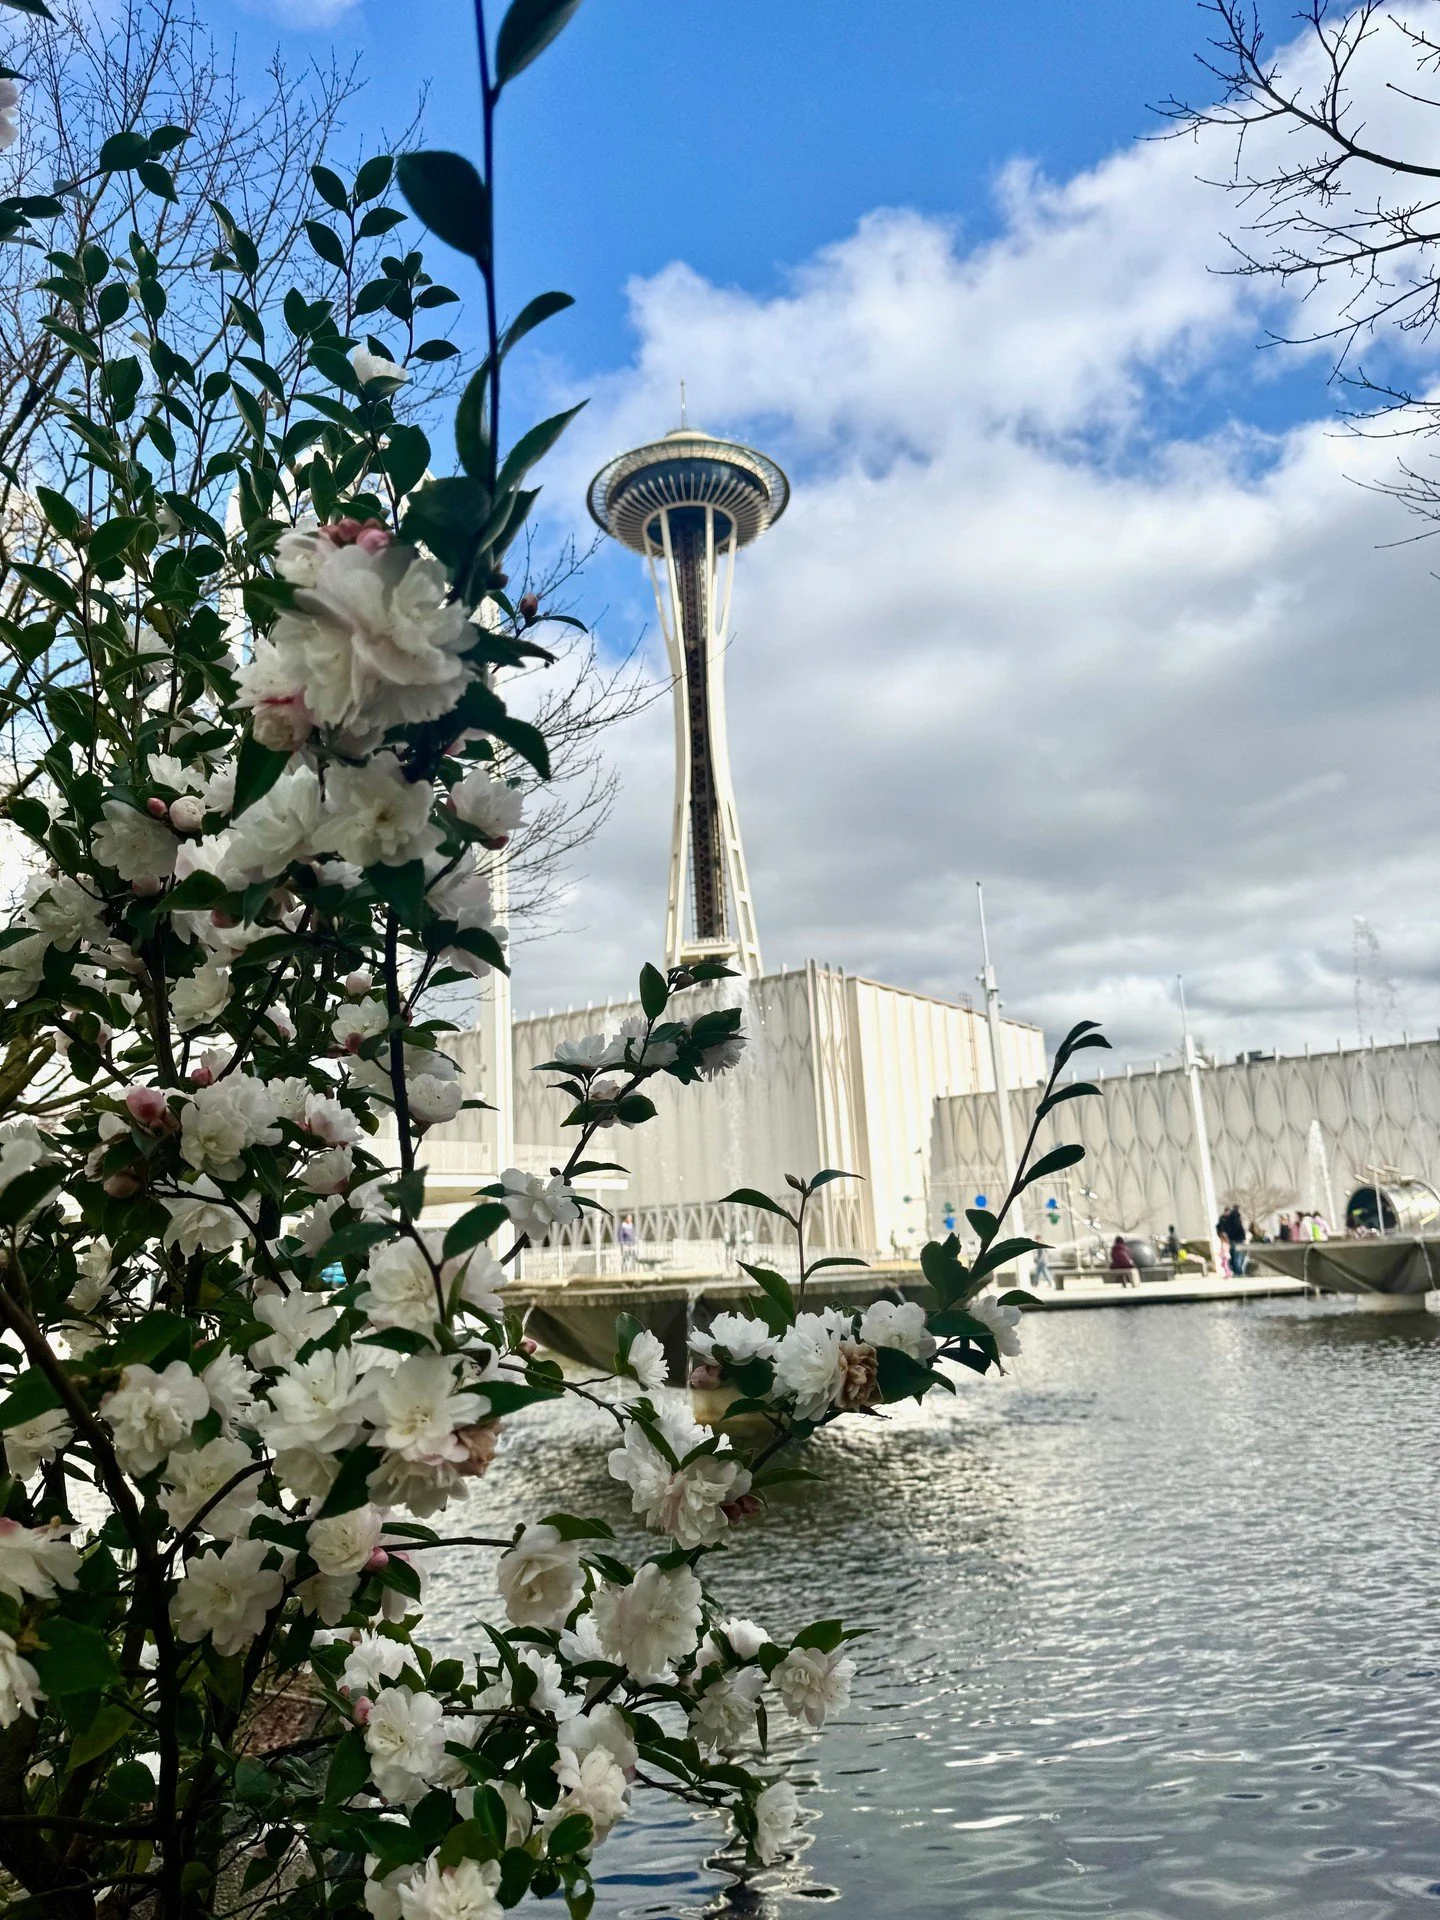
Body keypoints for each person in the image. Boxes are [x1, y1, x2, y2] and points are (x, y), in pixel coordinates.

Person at [1217, 1204, 1247, 1277]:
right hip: (1238, 1239)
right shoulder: (1235, 1217)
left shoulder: (1225, 1219)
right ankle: (1238, 1272)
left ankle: (1236, 1271)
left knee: (1235, 1256)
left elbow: (1221, 1229)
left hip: (1232, 1239)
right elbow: (1239, 1227)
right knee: (1239, 1256)